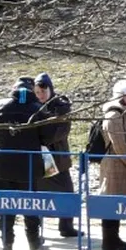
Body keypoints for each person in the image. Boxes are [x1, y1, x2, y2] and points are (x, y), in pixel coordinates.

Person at [0, 78, 52, 250]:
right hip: (29, 165)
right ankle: (34, 240)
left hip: (2, 164)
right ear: (31, 90)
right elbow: (47, 136)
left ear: (14, 89)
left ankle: (7, 245)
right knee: (30, 203)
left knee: (5, 205)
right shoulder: (38, 108)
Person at [31, 73, 79, 239]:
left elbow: (55, 133)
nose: (41, 96)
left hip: (57, 157)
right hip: (39, 158)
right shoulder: (34, 107)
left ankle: (66, 225)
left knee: (66, 192)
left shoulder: (61, 107)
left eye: (43, 92)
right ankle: (36, 228)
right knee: (37, 195)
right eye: (37, 93)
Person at [98, 79, 126, 250]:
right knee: (111, 205)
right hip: (115, 168)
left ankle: (114, 239)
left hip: (125, 167)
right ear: (122, 96)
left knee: (118, 205)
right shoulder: (114, 116)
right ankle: (109, 242)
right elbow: (120, 146)